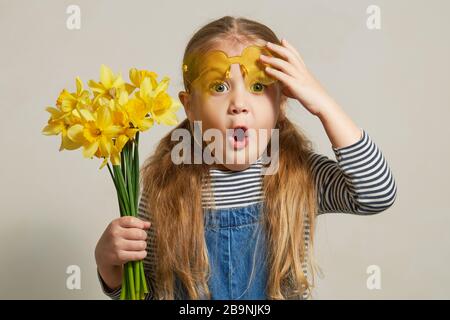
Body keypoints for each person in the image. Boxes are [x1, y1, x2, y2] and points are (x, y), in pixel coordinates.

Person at [95, 16, 397, 300]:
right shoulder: (164, 188)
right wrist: (111, 270)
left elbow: (376, 194)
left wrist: (323, 104)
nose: (239, 103)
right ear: (190, 107)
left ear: (281, 101)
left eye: (257, 87)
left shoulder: (299, 174)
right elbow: (147, 295)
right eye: (219, 87)